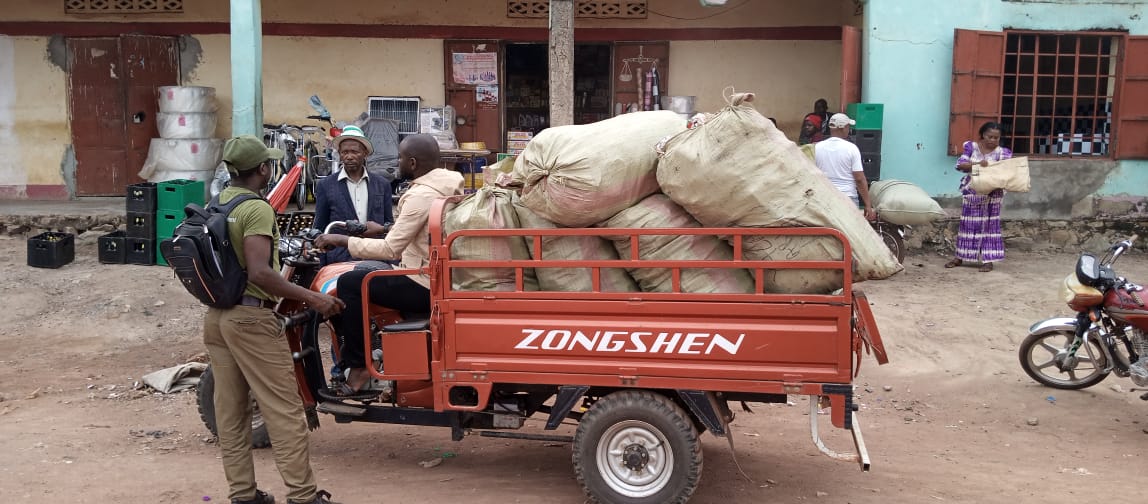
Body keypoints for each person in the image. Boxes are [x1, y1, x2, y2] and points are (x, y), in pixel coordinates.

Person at [205, 135, 344, 504]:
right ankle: (303, 496)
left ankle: (243, 495)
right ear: (264, 169)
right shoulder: (256, 208)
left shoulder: (218, 203)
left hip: (218, 317)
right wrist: (314, 298)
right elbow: (261, 273)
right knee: (284, 410)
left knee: (231, 414)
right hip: (252, 319)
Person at [315, 134, 464, 395]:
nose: (398, 162)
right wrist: (384, 228)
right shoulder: (445, 185)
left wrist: (341, 240)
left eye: (401, 158)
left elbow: (390, 249)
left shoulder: (421, 195)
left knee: (349, 282)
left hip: (423, 280)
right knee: (365, 271)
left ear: (413, 163)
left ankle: (359, 366)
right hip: (432, 273)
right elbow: (416, 231)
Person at [313, 124, 394, 265]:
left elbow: (388, 225)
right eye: (344, 152)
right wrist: (323, 262)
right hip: (340, 260)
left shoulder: (382, 185)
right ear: (340, 154)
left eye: (354, 152)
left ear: (365, 153)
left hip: (375, 258)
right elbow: (320, 227)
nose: (349, 156)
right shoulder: (326, 185)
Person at [946, 121, 1012, 272]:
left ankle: (988, 261)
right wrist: (978, 164)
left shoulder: (1003, 153)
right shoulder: (971, 147)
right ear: (983, 135)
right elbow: (960, 165)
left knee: (990, 226)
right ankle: (960, 257)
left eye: (996, 138)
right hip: (972, 191)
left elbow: (1006, 172)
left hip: (994, 193)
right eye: (990, 136)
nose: (993, 140)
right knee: (967, 225)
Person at [814, 113, 876, 221]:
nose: (849, 129)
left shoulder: (817, 147)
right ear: (844, 128)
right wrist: (867, 204)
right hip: (847, 198)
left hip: (825, 198)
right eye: (848, 127)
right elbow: (859, 179)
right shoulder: (851, 149)